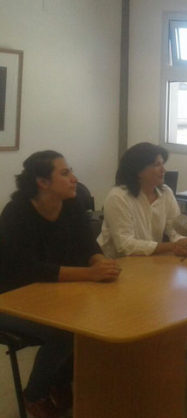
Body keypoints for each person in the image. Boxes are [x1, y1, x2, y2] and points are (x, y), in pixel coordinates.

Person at [0, 151, 121, 418]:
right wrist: (89, 274)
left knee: (98, 314)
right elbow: (28, 269)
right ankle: (35, 394)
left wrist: (101, 262)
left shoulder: (71, 205)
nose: (74, 178)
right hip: (10, 299)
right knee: (65, 330)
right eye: (65, 173)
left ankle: (60, 380)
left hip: (53, 292)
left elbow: (87, 244)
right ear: (43, 182)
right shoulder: (16, 213)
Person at [98, 142, 187, 258]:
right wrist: (172, 246)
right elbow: (125, 245)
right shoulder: (118, 197)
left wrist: (184, 243)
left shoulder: (166, 192)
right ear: (138, 171)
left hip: (150, 260)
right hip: (118, 263)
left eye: (163, 164)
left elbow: (175, 229)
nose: (163, 170)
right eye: (157, 165)